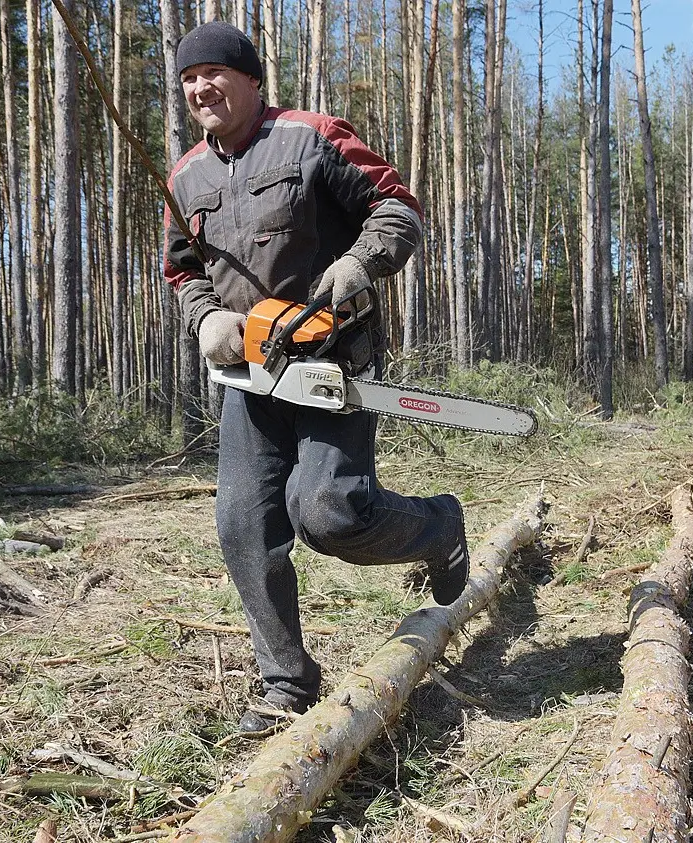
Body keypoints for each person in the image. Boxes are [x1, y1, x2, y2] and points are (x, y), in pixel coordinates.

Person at [162, 21, 469, 732]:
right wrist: (207, 318)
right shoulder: (186, 178)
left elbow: (398, 208)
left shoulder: (311, 135)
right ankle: (286, 681)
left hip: (333, 361)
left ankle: (438, 525)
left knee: (328, 511)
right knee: (243, 525)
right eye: (189, 79)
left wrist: (361, 262)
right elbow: (182, 269)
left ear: (251, 81)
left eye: (215, 74)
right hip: (251, 374)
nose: (201, 88)